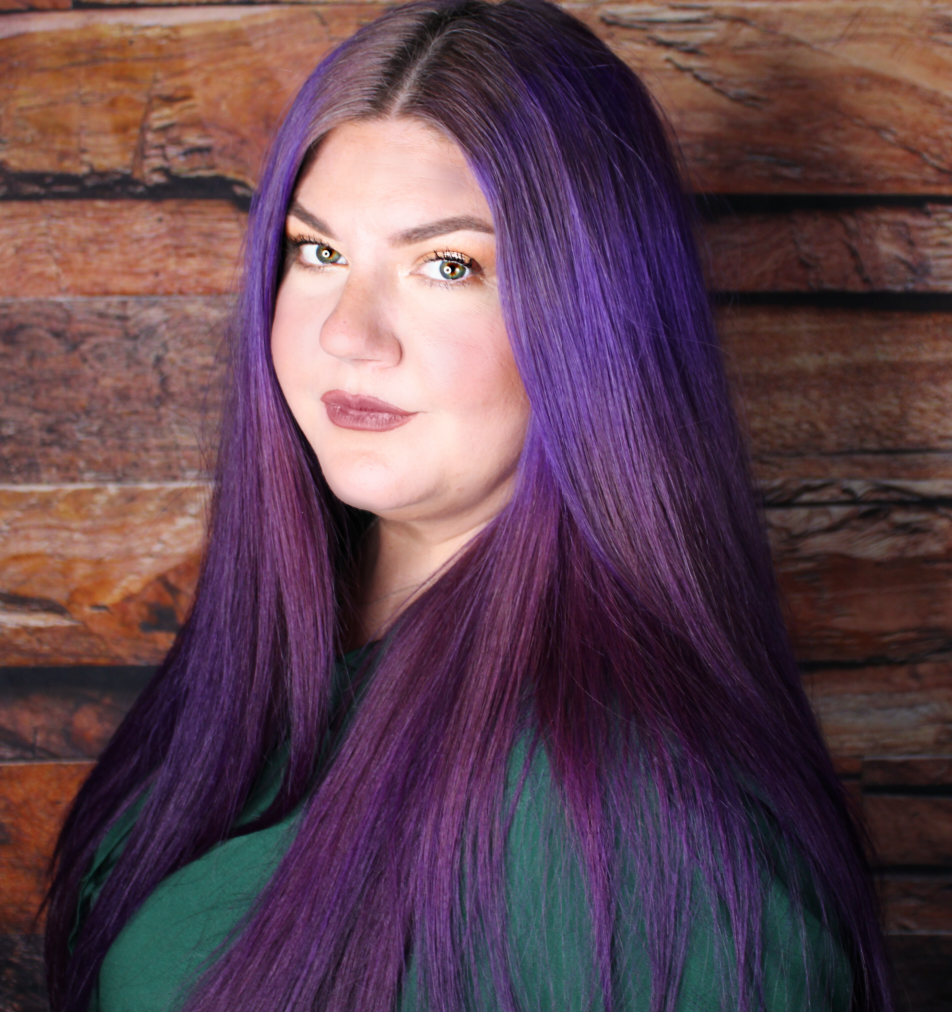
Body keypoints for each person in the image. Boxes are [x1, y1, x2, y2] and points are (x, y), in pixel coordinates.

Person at [44, 0, 896, 1009]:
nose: (348, 334)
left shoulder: (644, 830)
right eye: (318, 252)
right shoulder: (267, 650)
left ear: (593, 320)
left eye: (446, 265)